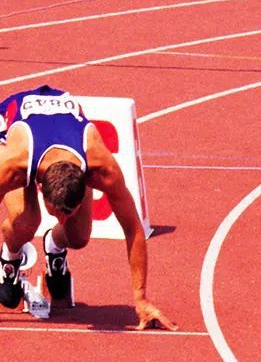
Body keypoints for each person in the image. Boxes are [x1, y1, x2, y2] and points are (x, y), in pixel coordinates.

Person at [0, 85, 174, 325]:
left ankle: (54, 246)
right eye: (57, 213)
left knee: (79, 236)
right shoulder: (13, 165)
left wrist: (141, 298)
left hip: (63, 138)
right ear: (41, 188)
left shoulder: (102, 168)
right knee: (26, 222)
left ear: (85, 183)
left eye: (67, 212)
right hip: (10, 127)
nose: (62, 219)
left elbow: (133, 228)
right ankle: (9, 258)